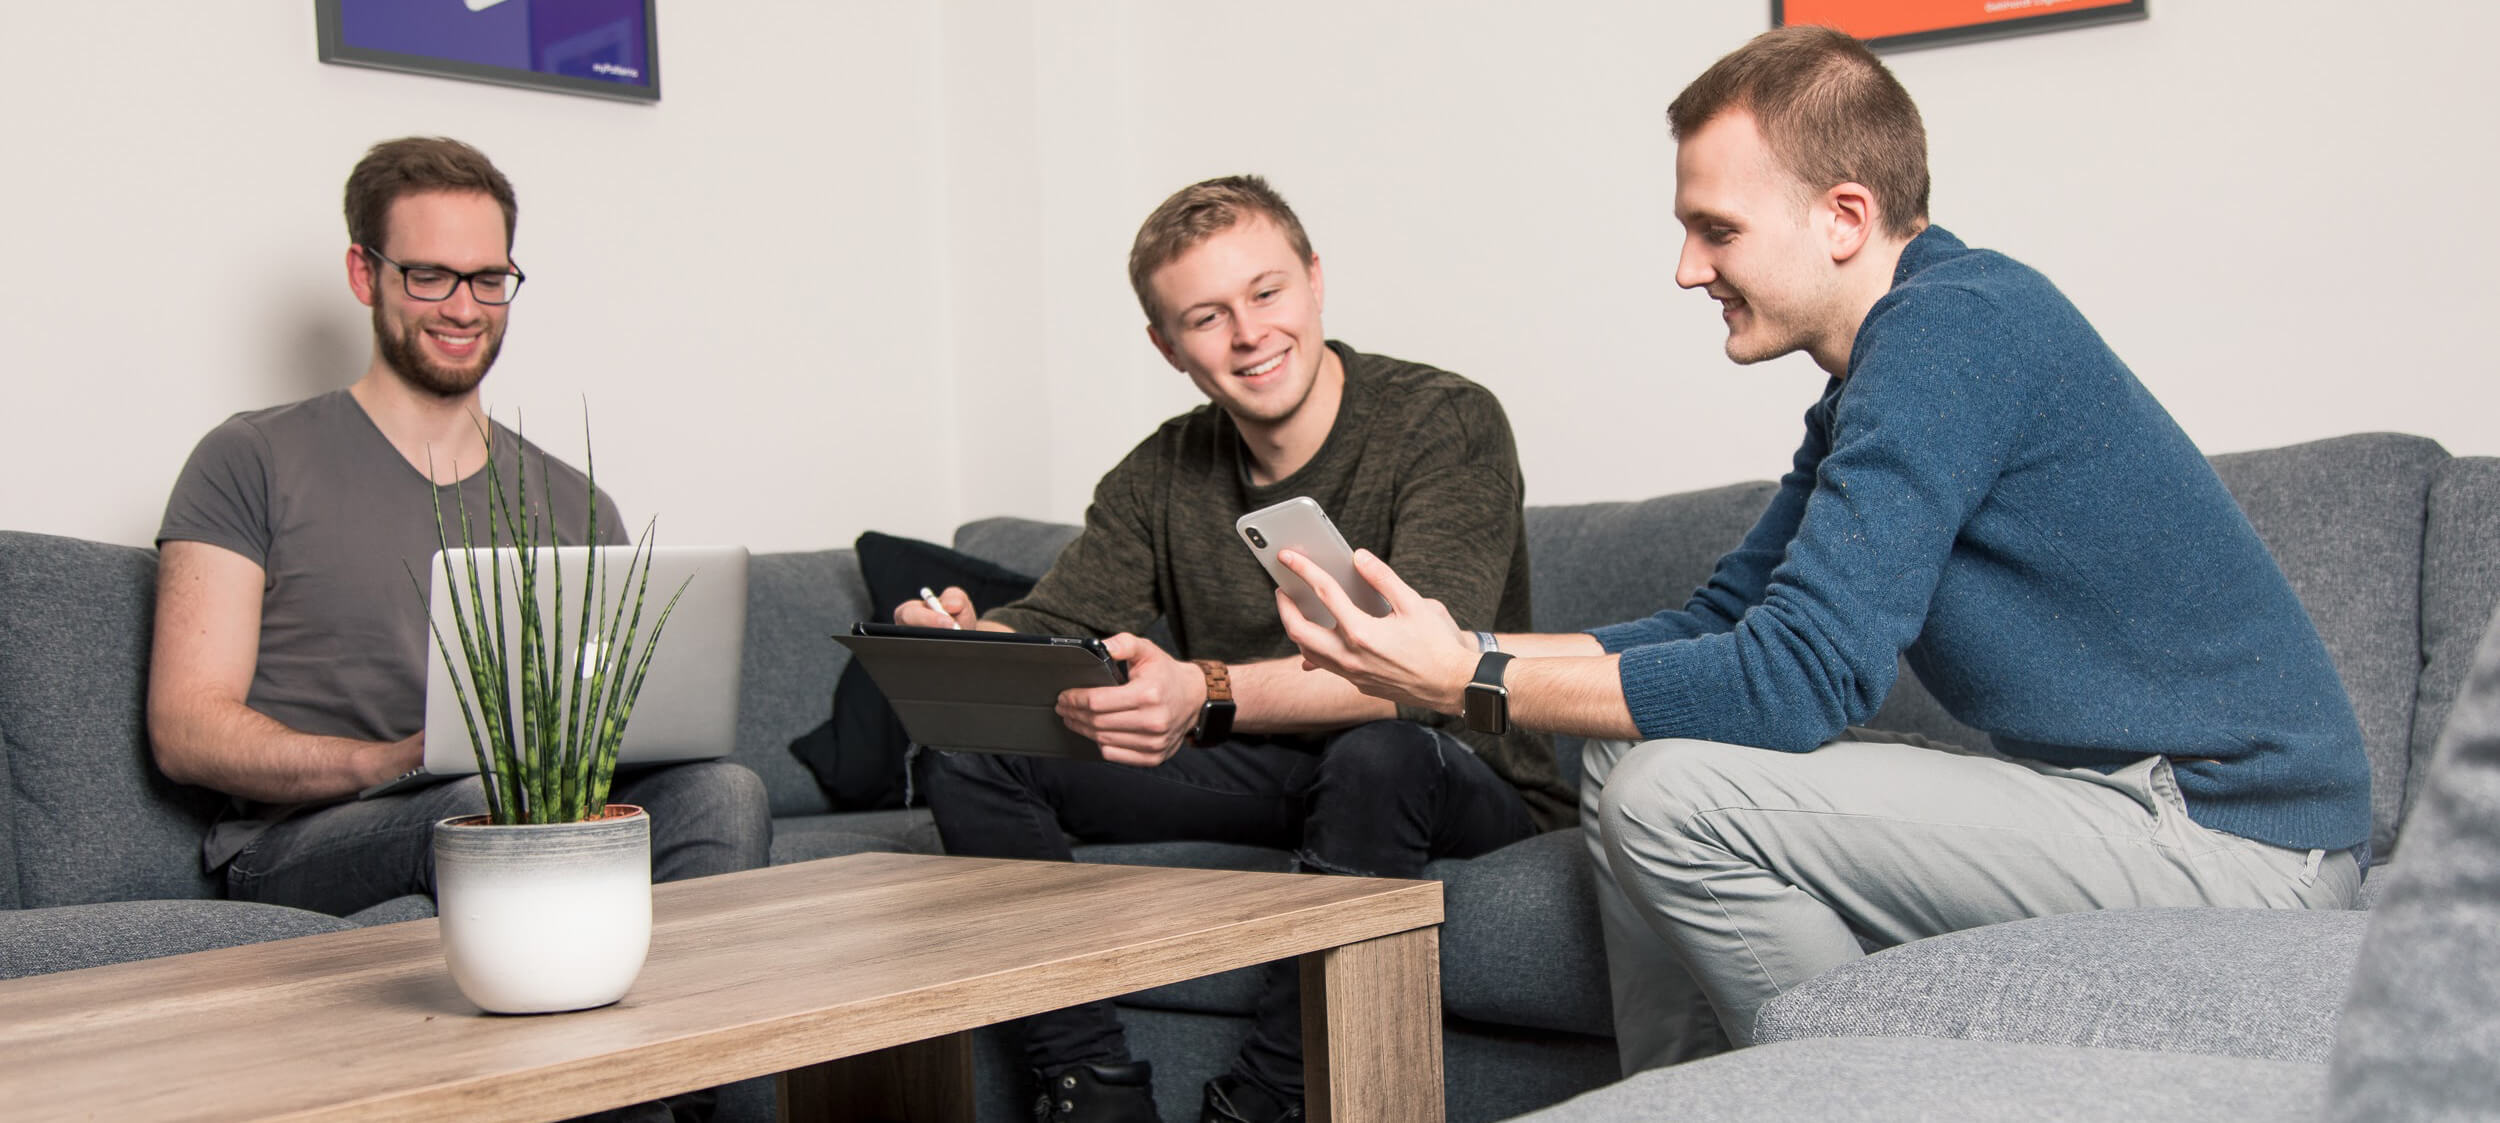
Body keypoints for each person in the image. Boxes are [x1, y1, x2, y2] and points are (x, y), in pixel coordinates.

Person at [1271, 26, 2371, 1075]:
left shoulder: (1956, 330)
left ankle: (1849, 1088)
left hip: (2231, 843)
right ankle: (1678, 1094)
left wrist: (1473, 680)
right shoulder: (1880, 371)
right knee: (1620, 745)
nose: (1686, 269)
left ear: (1844, 215)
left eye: (1717, 229)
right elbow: (1716, 626)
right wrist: (1453, 647)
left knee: (1670, 794)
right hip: (2126, 809)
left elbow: (1801, 681)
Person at [896, 175, 1573, 1123]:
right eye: (1207, 317)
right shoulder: (1163, 470)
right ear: (1166, 346)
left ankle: (1263, 1105)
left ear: (1315, 281)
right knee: (967, 748)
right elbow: (1057, 618)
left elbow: (1424, 675)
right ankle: (1089, 1088)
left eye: (1266, 292)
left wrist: (1204, 690)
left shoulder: (1444, 421)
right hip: (1272, 774)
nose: (1250, 333)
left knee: (1378, 754)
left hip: (1453, 768)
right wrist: (971, 643)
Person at [149, 136, 770, 921]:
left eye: (488, 279)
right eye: (429, 275)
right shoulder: (250, 457)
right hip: (299, 839)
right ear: (363, 274)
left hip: (528, 809)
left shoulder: (577, 503)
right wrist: (380, 762)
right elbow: (186, 727)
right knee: (490, 805)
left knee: (725, 793)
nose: (464, 307)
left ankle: (692, 1041)